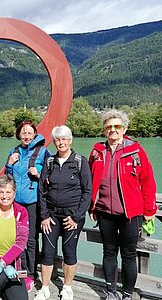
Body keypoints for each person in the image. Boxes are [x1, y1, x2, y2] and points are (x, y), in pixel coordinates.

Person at [88, 110, 157, 300]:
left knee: (128, 254)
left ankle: (127, 294)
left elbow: (149, 181)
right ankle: (111, 291)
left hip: (130, 213)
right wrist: (91, 207)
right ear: (104, 130)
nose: (113, 130)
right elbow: (90, 180)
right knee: (109, 252)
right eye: (109, 127)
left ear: (124, 129)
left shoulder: (135, 150)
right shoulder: (97, 151)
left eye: (117, 126)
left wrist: (150, 210)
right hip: (104, 212)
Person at [35, 125, 92, 300]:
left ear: (70, 140)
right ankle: (44, 288)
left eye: (64, 138)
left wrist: (76, 217)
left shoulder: (80, 162)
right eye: (57, 139)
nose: (61, 142)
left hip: (72, 217)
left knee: (69, 251)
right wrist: (44, 215)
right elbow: (42, 190)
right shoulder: (49, 162)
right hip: (51, 216)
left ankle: (67, 287)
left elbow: (87, 191)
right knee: (47, 251)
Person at [5, 120, 50, 288]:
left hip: (33, 202)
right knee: (17, 238)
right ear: (19, 134)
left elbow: (50, 177)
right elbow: (8, 178)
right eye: (23, 133)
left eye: (30, 133)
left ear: (34, 134)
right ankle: (19, 270)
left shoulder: (43, 152)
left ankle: (30, 274)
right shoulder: (14, 151)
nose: (26, 136)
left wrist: (39, 174)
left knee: (30, 239)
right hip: (15, 202)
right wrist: (9, 164)